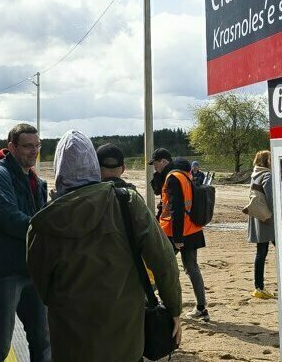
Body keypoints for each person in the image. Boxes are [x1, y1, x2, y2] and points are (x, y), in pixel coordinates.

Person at [27, 131, 183, 362]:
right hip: (124, 337)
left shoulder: (42, 223)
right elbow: (164, 260)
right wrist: (174, 309)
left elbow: (42, 286)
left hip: (70, 340)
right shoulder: (127, 202)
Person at [0, 123, 51, 362]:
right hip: (3, 272)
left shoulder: (36, 180)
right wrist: (45, 229)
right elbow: (7, 216)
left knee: (43, 341)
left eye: (37, 145)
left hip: (32, 271)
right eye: (28, 146)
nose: (34, 151)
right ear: (12, 147)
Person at [160, 157, 209, 321]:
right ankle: (201, 308)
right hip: (192, 230)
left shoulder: (173, 178)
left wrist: (177, 237)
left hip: (176, 232)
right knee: (192, 268)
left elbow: (176, 208)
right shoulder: (187, 177)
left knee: (161, 267)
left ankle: (151, 301)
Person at [248, 151, 276, 299]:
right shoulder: (267, 175)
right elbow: (271, 199)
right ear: (267, 161)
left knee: (261, 253)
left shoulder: (255, 174)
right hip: (268, 220)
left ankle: (258, 287)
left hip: (258, 217)